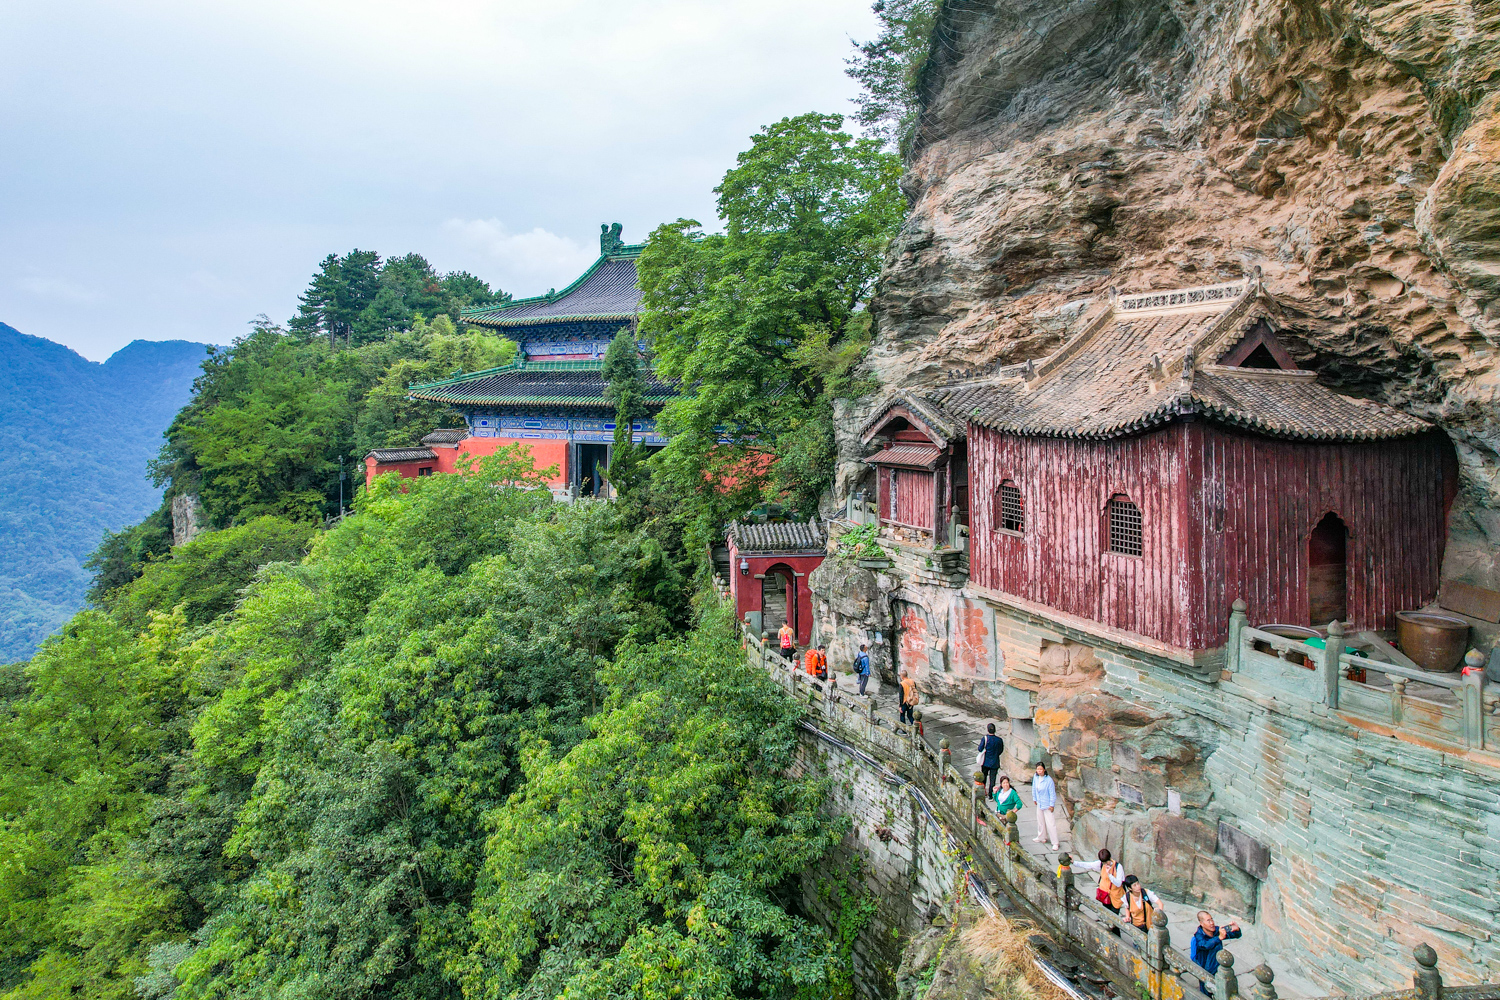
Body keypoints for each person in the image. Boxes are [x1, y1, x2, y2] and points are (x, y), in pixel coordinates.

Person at [1190, 910, 1242, 982]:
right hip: (1205, 969)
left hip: (1217, 966)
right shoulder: (1199, 935)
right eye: (1208, 921)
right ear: (1201, 923)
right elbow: (1205, 945)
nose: (1212, 923)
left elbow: (1236, 935)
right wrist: (1219, 938)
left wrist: (1236, 930)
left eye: (1212, 919)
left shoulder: (1217, 930)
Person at [1070, 848, 1125, 913]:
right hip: (1105, 895)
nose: (1106, 864)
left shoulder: (1118, 867)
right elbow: (1088, 865)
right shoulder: (1100, 864)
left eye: (1107, 862)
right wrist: (1074, 862)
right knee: (1106, 912)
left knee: (1115, 914)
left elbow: (1118, 883)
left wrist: (1110, 875)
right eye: (1104, 863)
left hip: (1115, 896)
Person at [1031, 762, 1060, 851]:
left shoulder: (1048, 780)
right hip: (1039, 802)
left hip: (1047, 804)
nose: (1039, 771)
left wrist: (1052, 804)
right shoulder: (1035, 777)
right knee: (1040, 821)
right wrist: (1034, 798)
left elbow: (1052, 793)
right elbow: (1034, 788)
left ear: (1044, 770)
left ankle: (1055, 842)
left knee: (1050, 823)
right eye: (1038, 769)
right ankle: (1041, 836)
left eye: (1040, 769)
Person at [976, 723, 1005, 796]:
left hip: (985, 761)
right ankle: (990, 794)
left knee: (984, 777)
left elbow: (980, 749)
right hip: (995, 761)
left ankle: (983, 791)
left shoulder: (985, 738)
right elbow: (1001, 750)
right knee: (993, 779)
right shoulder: (999, 740)